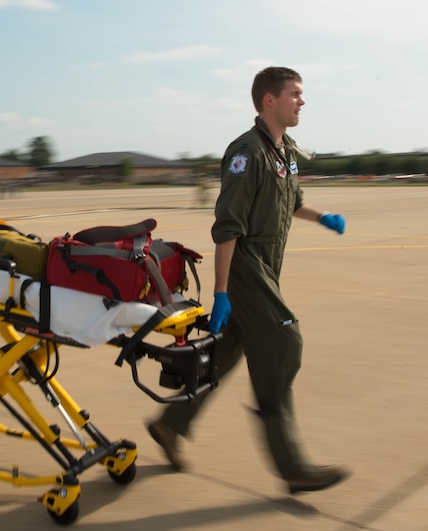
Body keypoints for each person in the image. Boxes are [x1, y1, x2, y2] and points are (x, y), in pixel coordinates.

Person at [147, 67, 351, 494]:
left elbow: (292, 202)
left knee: (228, 351)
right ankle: (292, 465)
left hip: (269, 264)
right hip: (244, 264)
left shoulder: (286, 151)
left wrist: (322, 217)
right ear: (269, 101)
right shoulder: (246, 154)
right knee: (282, 341)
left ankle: (170, 425)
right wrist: (222, 293)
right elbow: (227, 230)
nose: (302, 101)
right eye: (295, 94)